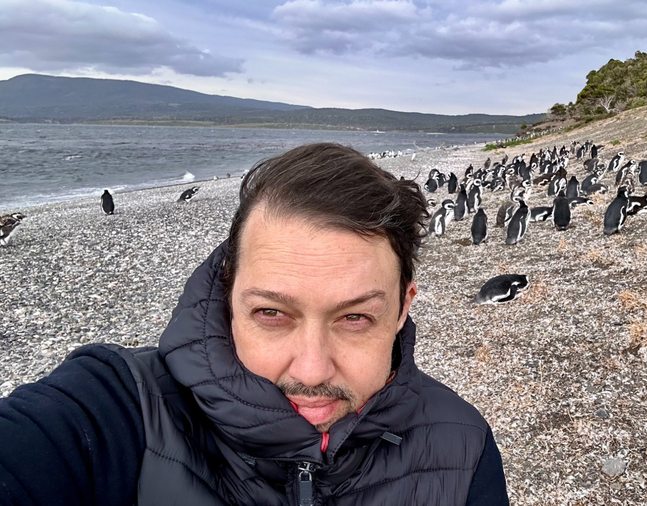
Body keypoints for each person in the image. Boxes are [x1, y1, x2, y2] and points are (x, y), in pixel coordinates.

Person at [0, 143, 508, 505]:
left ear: (401, 309)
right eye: (272, 314)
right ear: (228, 296)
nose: (311, 370)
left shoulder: (462, 447)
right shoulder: (117, 410)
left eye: (355, 317)